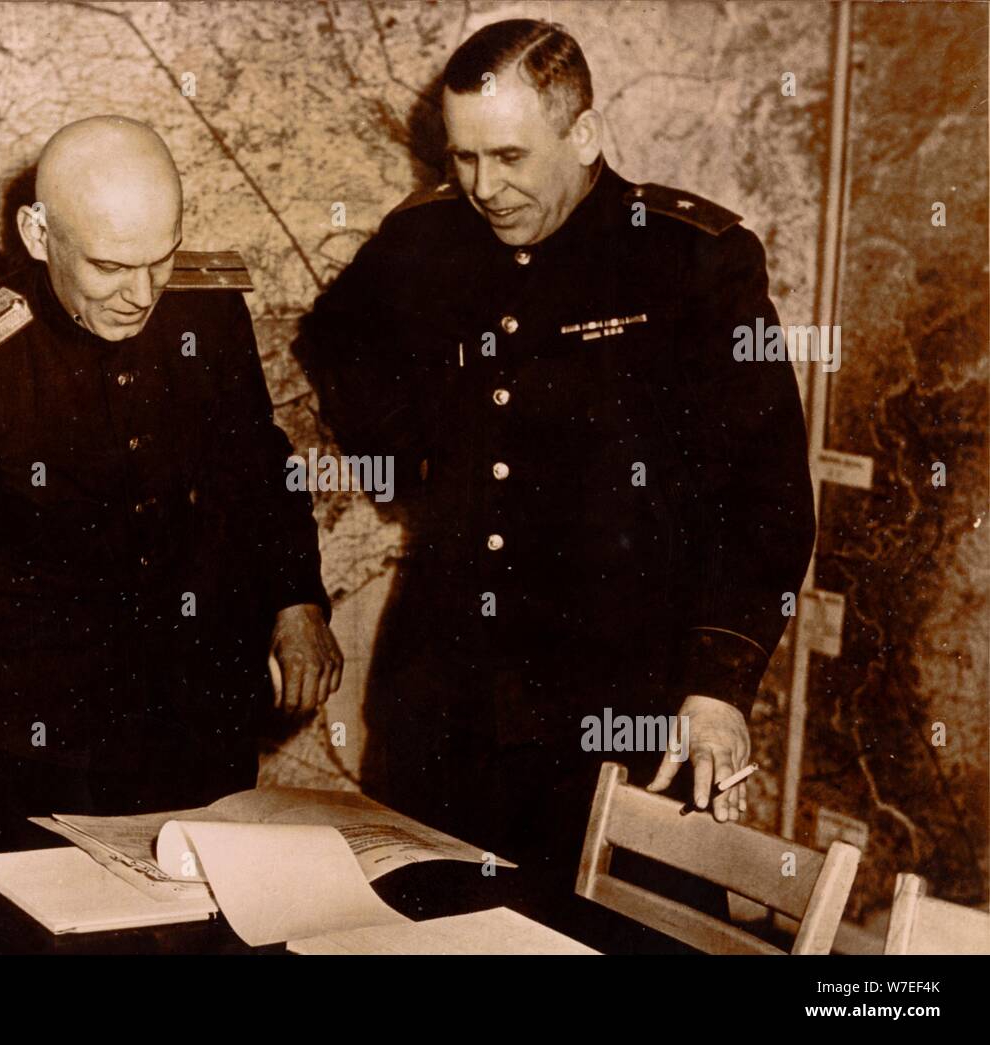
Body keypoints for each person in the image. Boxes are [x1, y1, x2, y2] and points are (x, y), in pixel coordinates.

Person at [296, 20, 815, 939]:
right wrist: (409, 452)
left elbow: (767, 495)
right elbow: (336, 335)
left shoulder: (693, 259)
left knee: (629, 940)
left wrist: (719, 684)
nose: (485, 188)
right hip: (443, 711)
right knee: (413, 939)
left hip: (618, 716)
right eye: (464, 158)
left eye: (509, 155)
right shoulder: (427, 239)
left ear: (583, 134)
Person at [0, 116, 342, 875]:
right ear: (38, 234)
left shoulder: (210, 315)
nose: (141, 295)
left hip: (195, 751)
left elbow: (257, 468)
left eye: (161, 258)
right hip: (26, 766)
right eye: (110, 266)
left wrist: (295, 599)